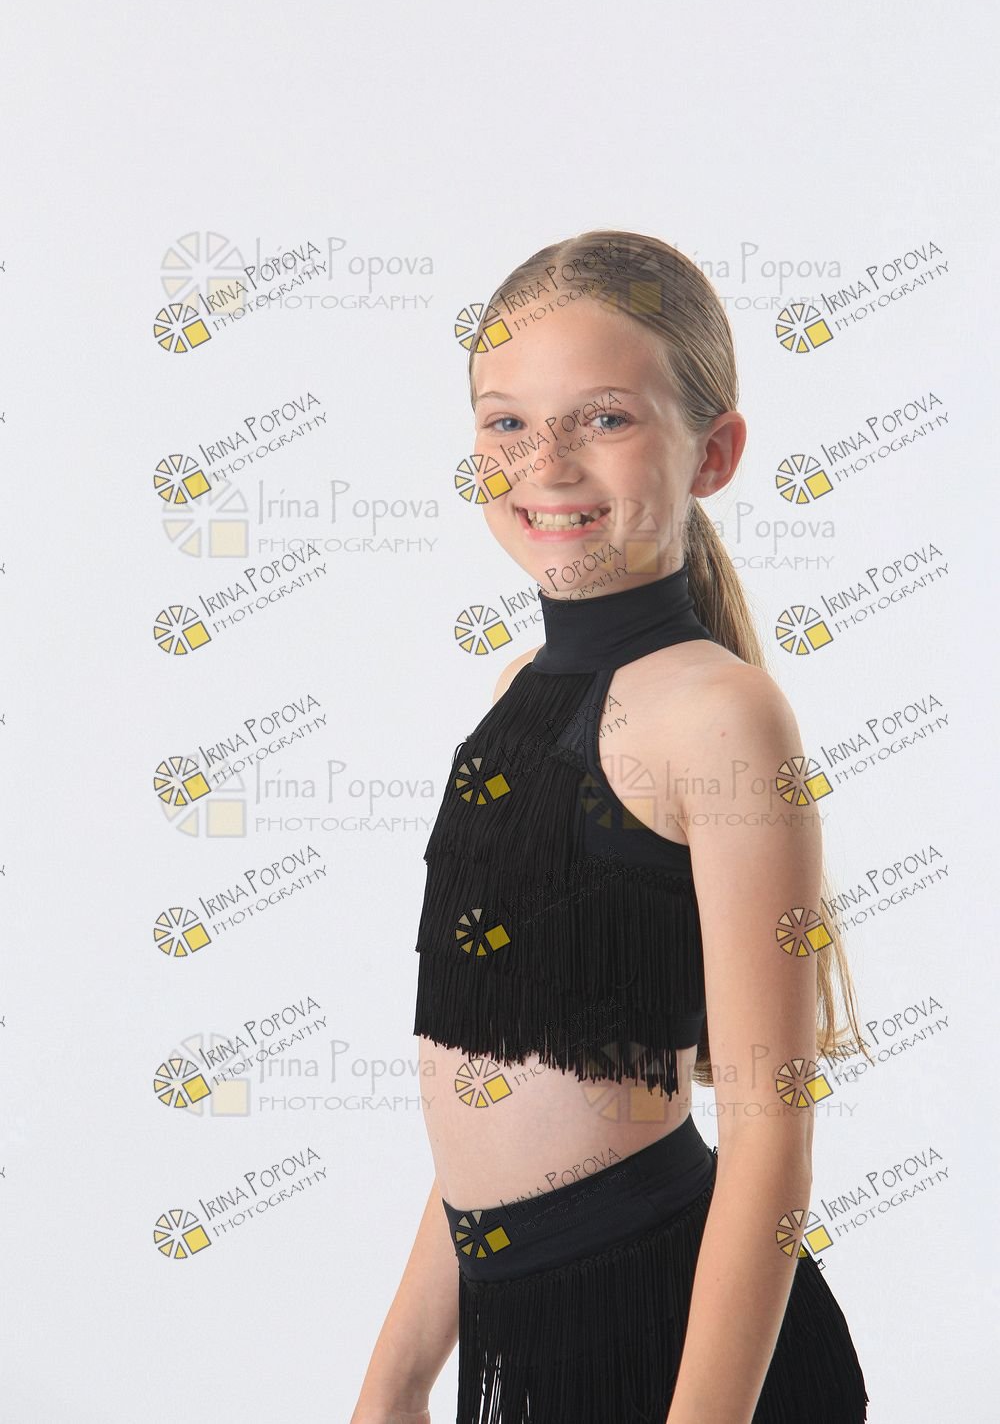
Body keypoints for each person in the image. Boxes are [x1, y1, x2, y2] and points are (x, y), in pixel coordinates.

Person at [351, 230, 870, 1424]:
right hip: (519, 1329)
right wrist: (396, 1380)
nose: (545, 462)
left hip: (685, 1345)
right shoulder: (514, 698)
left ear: (713, 452)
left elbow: (771, 1144)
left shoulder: (722, 715)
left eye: (603, 418)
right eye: (506, 422)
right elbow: (486, 1096)